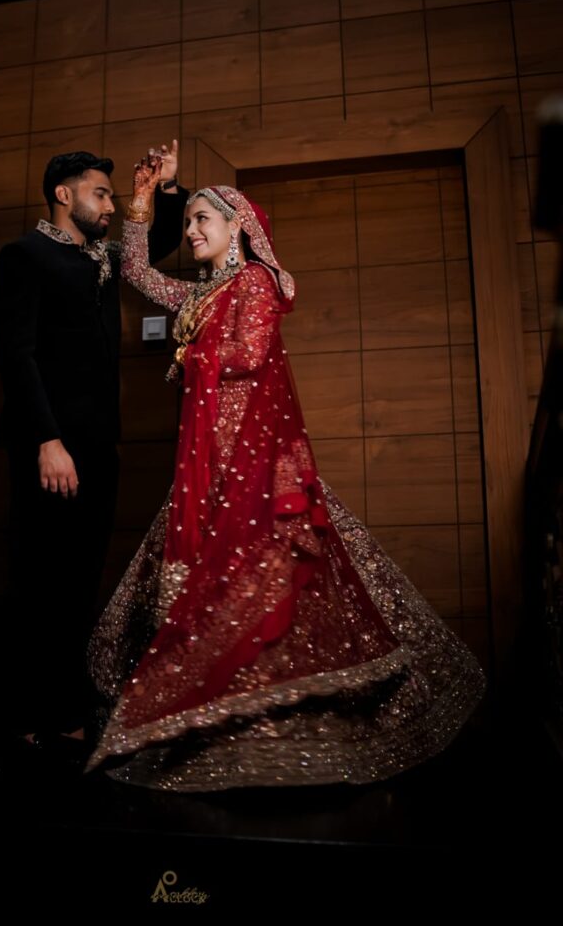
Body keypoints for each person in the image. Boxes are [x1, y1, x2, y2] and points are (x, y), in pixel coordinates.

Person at [87, 157, 486, 790]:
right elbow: (135, 270)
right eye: (187, 221)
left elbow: (248, 352)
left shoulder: (257, 283)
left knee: (269, 580)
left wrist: (191, 352)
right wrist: (142, 200)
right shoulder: (197, 292)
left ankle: (274, 718)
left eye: (201, 219)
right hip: (204, 460)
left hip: (252, 460)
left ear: (238, 224)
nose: (191, 231)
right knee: (205, 581)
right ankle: (218, 720)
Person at [0, 144, 186, 756]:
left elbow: (156, 246)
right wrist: (48, 440)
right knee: (38, 580)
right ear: (64, 195)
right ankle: (25, 715)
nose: (111, 204)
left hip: (101, 446)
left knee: (79, 582)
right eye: (101, 194)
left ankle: (69, 712)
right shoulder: (25, 256)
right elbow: (15, 353)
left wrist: (169, 191)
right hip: (49, 444)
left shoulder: (102, 256)